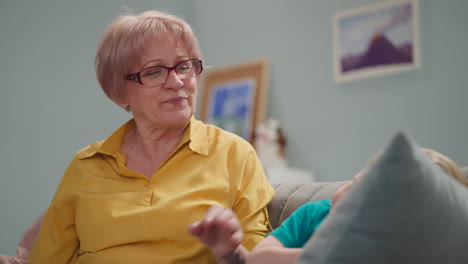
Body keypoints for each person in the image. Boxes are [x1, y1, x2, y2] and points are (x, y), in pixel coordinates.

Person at [28, 10, 274, 264]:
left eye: (184, 66)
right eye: (155, 72)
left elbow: (259, 259)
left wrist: (230, 251)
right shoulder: (86, 165)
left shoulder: (235, 155)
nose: (176, 81)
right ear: (120, 91)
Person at [189, 148, 467, 264]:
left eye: (365, 196)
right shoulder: (315, 213)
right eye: (355, 182)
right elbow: (260, 260)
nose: (347, 194)